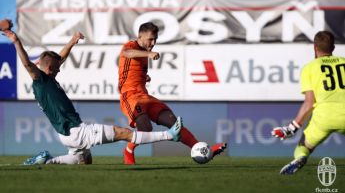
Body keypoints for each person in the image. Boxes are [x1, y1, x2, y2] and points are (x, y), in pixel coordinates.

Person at [1, 26, 182, 165]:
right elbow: (27, 65)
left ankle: (46, 160)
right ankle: (169, 135)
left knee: (84, 161)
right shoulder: (40, 80)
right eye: (56, 68)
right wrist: (16, 41)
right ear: (48, 69)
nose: (59, 68)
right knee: (124, 133)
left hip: (67, 134)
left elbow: (59, 58)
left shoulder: (47, 78)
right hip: (77, 131)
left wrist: (72, 41)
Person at [118, 22, 227, 165]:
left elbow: (131, 71)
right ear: (140, 36)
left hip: (145, 96)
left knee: (174, 123)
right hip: (130, 96)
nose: (153, 42)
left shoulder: (144, 51)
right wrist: (149, 54)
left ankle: (200, 148)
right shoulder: (131, 46)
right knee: (146, 128)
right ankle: (128, 150)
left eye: (155, 39)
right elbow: (126, 53)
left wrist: (144, 77)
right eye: (150, 39)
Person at [272, 31, 345, 174]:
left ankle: (301, 158)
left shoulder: (309, 68)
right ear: (333, 48)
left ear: (315, 48)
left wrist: (292, 128)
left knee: (303, 146)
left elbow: (309, 103)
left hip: (324, 118)